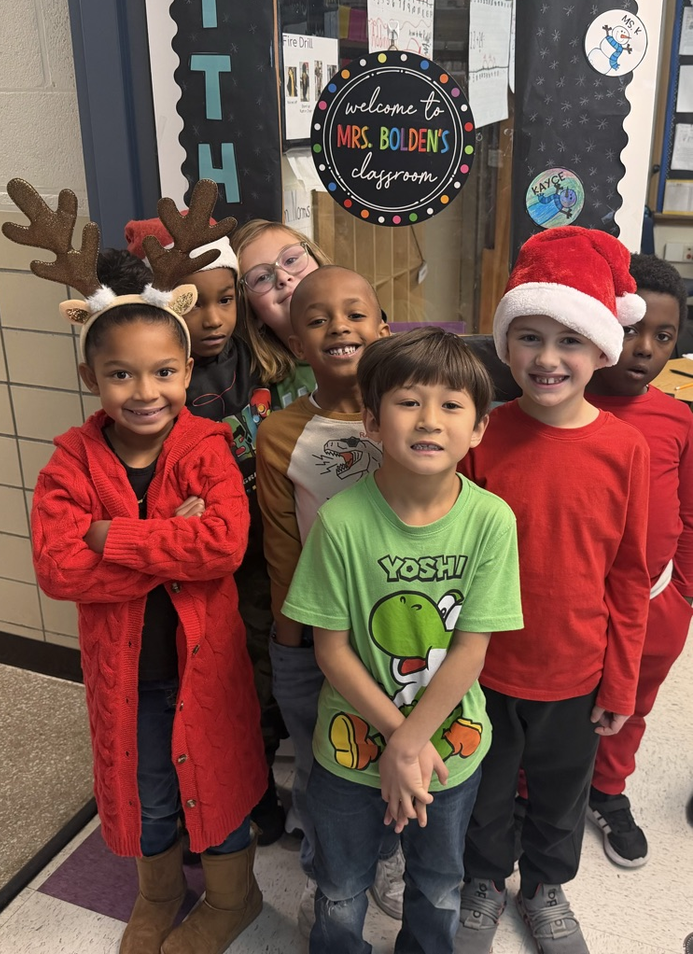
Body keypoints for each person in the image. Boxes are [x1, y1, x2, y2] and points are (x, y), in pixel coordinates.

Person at [5, 180, 267, 954]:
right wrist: (164, 542)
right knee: (148, 787)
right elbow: (58, 569)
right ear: (93, 379)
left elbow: (223, 545)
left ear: (186, 375)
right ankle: (158, 895)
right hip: (127, 671)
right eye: (122, 374)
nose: (144, 391)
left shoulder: (208, 449)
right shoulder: (70, 463)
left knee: (214, 784)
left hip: (204, 663)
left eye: (162, 373)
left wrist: (112, 536)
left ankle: (233, 898)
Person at [281, 327, 523, 954]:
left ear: (477, 430)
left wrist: (411, 746)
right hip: (350, 749)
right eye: (409, 401)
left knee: (441, 884)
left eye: (451, 406)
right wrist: (396, 740)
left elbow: (472, 648)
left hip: (451, 749)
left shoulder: (491, 520)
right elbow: (330, 649)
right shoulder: (341, 522)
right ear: (371, 420)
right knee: (340, 886)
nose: (429, 421)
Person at [457, 226, 651, 954]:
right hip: (483, 667)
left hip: (576, 670)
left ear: (601, 349)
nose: (547, 358)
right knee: (486, 791)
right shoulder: (480, 434)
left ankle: (544, 886)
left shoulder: (623, 447)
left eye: (570, 341)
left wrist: (620, 680)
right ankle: (483, 879)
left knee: (563, 793)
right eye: (529, 337)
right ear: (505, 347)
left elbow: (631, 575)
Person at [126, 193, 292, 844]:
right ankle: (230, 796)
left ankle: (262, 781)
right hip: (205, 559)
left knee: (265, 666)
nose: (216, 317)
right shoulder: (166, 379)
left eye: (226, 298)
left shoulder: (252, 354)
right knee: (219, 681)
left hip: (264, 545)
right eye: (195, 302)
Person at [255, 266, 405, 934]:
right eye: (317, 319)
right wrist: (291, 641)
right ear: (296, 343)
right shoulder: (281, 433)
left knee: (399, 751)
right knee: (322, 763)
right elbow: (283, 544)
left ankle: (394, 854)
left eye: (355, 314)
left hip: (402, 635)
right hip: (316, 638)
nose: (339, 327)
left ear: (382, 329)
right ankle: (327, 865)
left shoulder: (415, 415)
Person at [586, 254, 693, 867]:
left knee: (634, 701)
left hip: (655, 602)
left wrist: (684, 594)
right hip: (575, 602)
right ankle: (528, 793)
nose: (645, 348)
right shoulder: (559, 405)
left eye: (664, 336)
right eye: (631, 329)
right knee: (557, 701)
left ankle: (608, 788)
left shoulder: (678, 417)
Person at [230, 218, 331, 407]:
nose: (283, 277)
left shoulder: (374, 350)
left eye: (291, 260)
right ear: (252, 313)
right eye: (262, 277)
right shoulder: (257, 389)